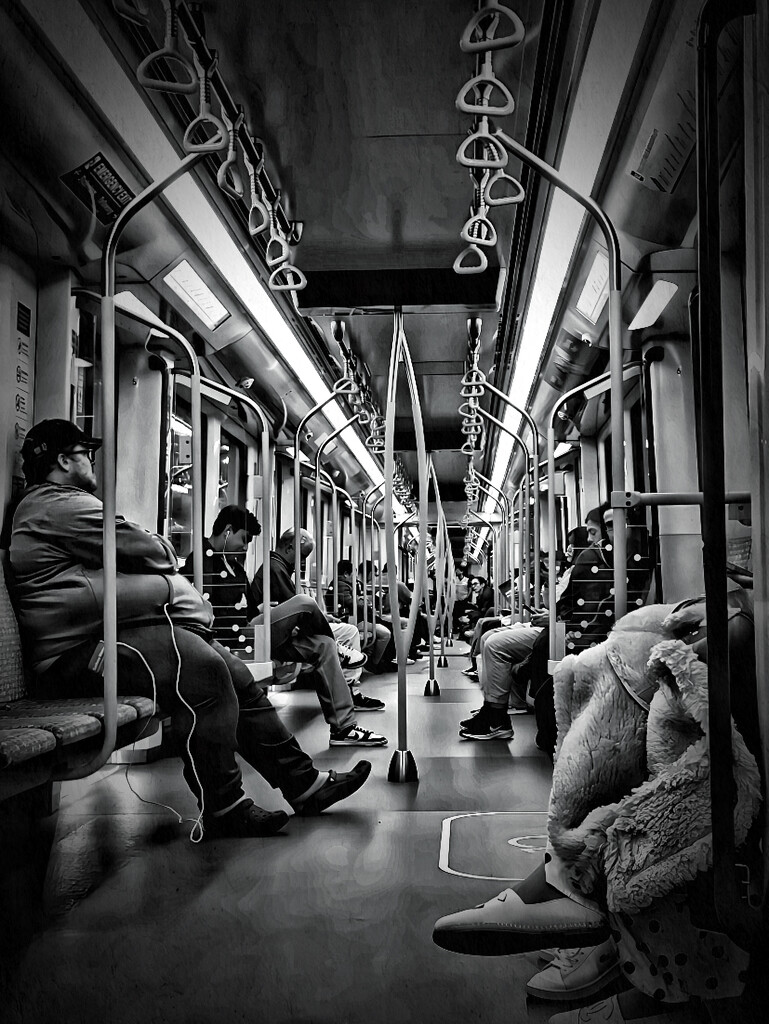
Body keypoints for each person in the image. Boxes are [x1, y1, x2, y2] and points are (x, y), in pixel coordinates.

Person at [9, 420, 372, 839]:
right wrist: (165, 577)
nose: (91, 459)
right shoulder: (60, 506)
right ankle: (225, 805)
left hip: (106, 638)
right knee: (201, 668)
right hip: (75, 656)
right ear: (62, 460)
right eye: (84, 452)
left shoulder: (61, 506)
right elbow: (151, 549)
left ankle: (304, 784)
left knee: (232, 671)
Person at [459, 508, 611, 740]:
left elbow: (578, 612)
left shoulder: (593, 567)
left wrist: (552, 613)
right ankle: (493, 709)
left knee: (494, 643)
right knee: (489, 635)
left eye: (593, 532)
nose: (588, 542)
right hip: (552, 622)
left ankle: (496, 717)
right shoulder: (576, 568)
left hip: (560, 628)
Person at [249, 528, 388, 744]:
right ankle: (340, 649)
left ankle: (343, 728)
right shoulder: (274, 567)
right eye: (302, 556)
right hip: (259, 636)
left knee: (324, 646)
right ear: (290, 547)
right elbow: (295, 607)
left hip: (278, 635)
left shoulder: (281, 568)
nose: (303, 564)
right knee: (305, 602)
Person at [329, 559, 396, 673]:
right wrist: (362, 601)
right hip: (351, 620)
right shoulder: (341, 585)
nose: (354, 577)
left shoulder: (346, 585)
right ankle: (375, 663)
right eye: (352, 574)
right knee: (385, 632)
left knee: (386, 626)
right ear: (346, 574)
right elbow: (353, 603)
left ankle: (381, 661)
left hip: (356, 619)